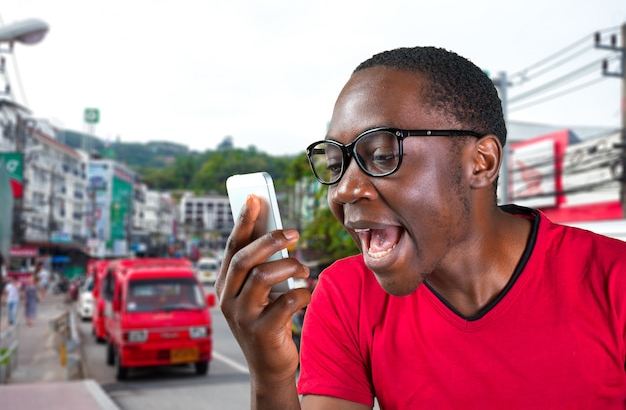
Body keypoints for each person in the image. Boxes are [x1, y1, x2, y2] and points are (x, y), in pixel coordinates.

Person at [216, 46, 626, 409]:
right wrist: (270, 377)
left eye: (380, 155)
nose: (343, 191)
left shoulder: (614, 281)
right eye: (337, 164)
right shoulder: (346, 294)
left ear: (480, 162)